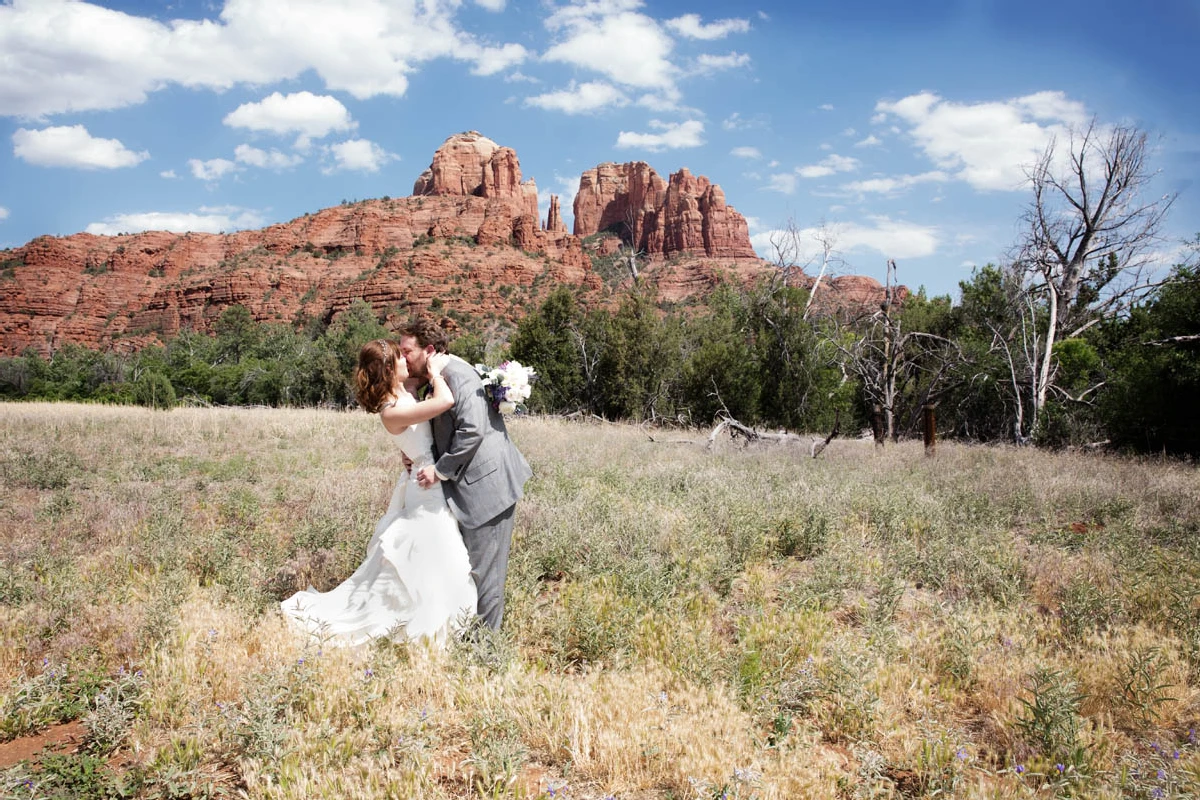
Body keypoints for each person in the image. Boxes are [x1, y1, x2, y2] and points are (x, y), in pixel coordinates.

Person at [279, 339, 477, 647]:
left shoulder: (401, 392)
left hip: (427, 477)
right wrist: (437, 373)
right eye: (399, 359)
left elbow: (414, 386)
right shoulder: (390, 411)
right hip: (426, 487)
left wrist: (433, 357)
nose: (405, 364)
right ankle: (417, 626)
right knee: (438, 558)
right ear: (387, 368)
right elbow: (445, 401)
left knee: (433, 559)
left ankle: (425, 623)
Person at [398, 318, 532, 632]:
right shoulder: (435, 375)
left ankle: (486, 651)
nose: (402, 359)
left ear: (428, 350)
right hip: (466, 488)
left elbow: (473, 430)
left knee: (487, 574)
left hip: (488, 488)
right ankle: (466, 637)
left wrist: (439, 470)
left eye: (407, 352)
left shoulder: (456, 373)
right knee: (468, 568)